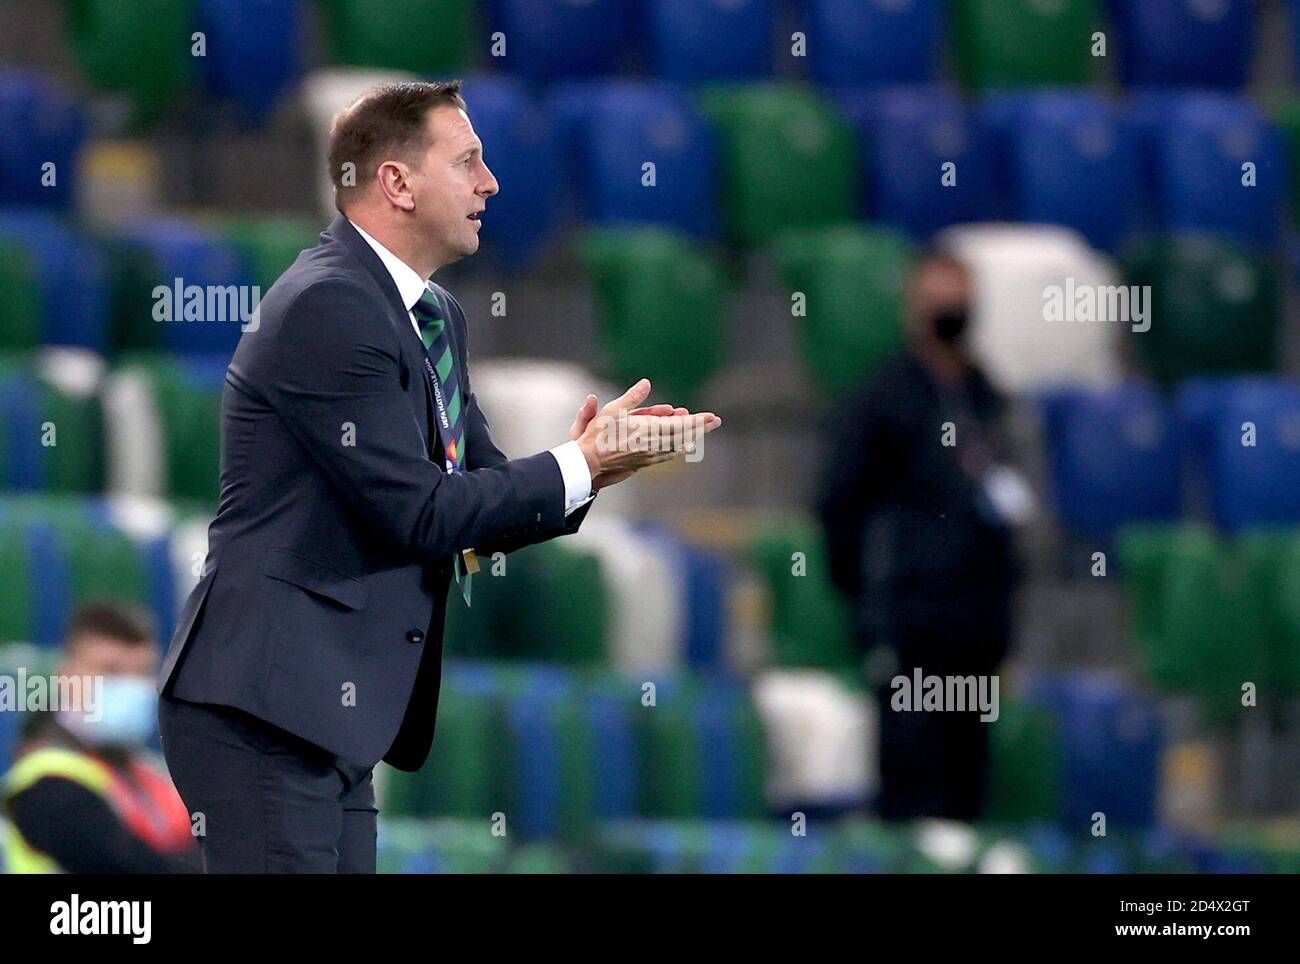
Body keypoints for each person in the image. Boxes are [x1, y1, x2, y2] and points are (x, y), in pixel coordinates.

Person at [157, 80, 722, 873]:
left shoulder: (432, 315)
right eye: (468, 162)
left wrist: (601, 465)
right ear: (396, 182)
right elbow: (422, 515)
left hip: (327, 715)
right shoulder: (330, 306)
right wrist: (576, 464)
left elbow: (480, 497)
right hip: (264, 710)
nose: (491, 183)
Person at [816, 252, 1027, 822]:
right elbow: (840, 506)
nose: (950, 314)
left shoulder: (989, 397)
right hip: (909, 623)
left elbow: (1012, 505)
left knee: (967, 789)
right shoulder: (884, 397)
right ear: (913, 309)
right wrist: (867, 605)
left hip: (977, 625)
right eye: (938, 303)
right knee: (911, 784)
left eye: (959, 303)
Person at [2, 601, 199, 873]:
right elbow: (131, 868)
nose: (131, 686)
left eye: (142, 672)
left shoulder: (154, 774)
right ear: (67, 677)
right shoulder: (47, 783)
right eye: (111, 670)